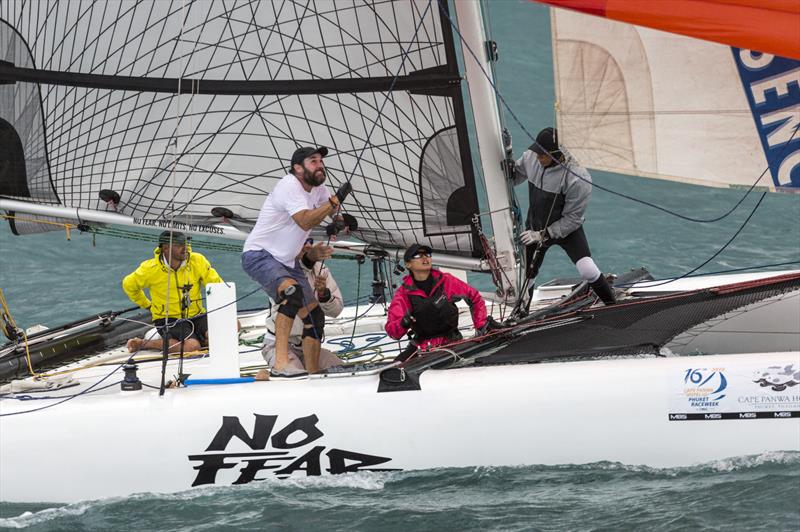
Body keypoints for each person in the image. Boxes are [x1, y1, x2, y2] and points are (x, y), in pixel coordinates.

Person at [241, 146, 353, 377]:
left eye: (321, 161)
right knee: (291, 294)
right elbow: (304, 221)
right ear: (298, 168)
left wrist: (339, 219)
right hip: (260, 254)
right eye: (314, 161)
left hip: (287, 260)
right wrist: (334, 202)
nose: (320, 165)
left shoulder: (318, 188)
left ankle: (312, 372)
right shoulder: (289, 185)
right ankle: (281, 363)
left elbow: (330, 208)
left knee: (315, 315)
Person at [510, 127, 615, 305]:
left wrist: (543, 234)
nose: (538, 157)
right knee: (527, 277)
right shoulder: (531, 157)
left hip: (567, 230)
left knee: (588, 270)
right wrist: (505, 158)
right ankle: (521, 315)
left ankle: (613, 306)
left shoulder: (578, 178)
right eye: (537, 152)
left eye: (543, 155)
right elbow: (514, 178)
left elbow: (573, 219)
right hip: (534, 228)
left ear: (557, 155)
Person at [123, 231, 224, 353]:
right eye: (179, 245)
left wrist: (223, 312)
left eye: (186, 244)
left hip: (197, 314)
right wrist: (147, 305)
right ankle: (144, 343)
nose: (185, 248)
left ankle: (199, 339)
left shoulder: (197, 261)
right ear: (165, 248)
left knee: (232, 326)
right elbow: (128, 285)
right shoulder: (149, 269)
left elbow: (217, 285)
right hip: (169, 319)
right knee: (192, 347)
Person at [386, 244, 491, 361]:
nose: (425, 258)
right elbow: (392, 332)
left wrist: (481, 327)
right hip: (422, 347)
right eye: (418, 255)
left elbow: (475, 298)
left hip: (453, 342)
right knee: (394, 371)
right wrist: (403, 323)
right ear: (408, 264)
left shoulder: (446, 281)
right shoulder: (403, 294)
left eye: (427, 254)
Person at [256, 239, 344, 379]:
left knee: (343, 372)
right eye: (302, 241)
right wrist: (309, 258)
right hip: (280, 345)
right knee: (297, 379)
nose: (308, 245)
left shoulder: (321, 270)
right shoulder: (278, 269)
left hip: (309, 346)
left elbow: (336, 311)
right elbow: (299, 268)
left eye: (309, 241)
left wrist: (324, 295)